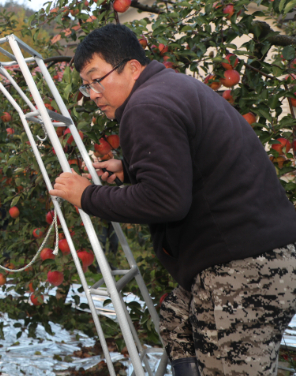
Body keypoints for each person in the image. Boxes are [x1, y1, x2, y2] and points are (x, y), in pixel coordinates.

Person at [50, 23, 296, 376]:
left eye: (96, 79)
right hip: (264, 259)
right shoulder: (173, 87)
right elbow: (191, 161)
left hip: (242, 272)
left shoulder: (145, 106)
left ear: (132, 68)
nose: (93, 93)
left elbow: (166, 201)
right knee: (177, 317)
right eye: (86, 85)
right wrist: (131, 169)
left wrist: (87, 195)